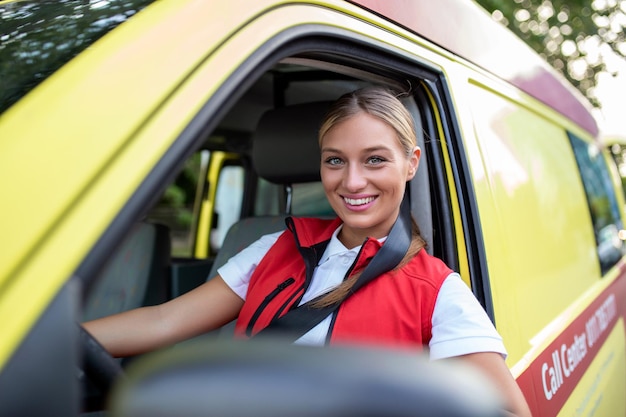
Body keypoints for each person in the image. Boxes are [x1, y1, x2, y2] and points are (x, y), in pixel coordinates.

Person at [84, 87, 532, 417]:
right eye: (335, 160)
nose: (352, 182)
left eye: (375, 160)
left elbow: (511, 413)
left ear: (411, 162)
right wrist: (42, 341)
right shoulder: (275, 247)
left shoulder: (436, 291)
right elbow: (164, 320)